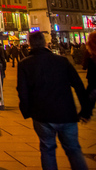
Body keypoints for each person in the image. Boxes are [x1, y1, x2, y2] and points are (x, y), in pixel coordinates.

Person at [17, 31, 90, 170]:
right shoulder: (61, 61)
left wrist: (26, 111)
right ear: (45, 43)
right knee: (73, 149)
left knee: (47, 150)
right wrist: (85, 110)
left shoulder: (25, 64)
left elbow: (22, 91)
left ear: (29, 44)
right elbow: (79, 86)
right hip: (66, 113)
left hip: (42, 115)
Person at [84, 32, 96, 116]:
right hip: (92, 79)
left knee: (91, 94)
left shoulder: (90, 52)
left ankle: (87, 112)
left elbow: (85, 64)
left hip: (93, 80)